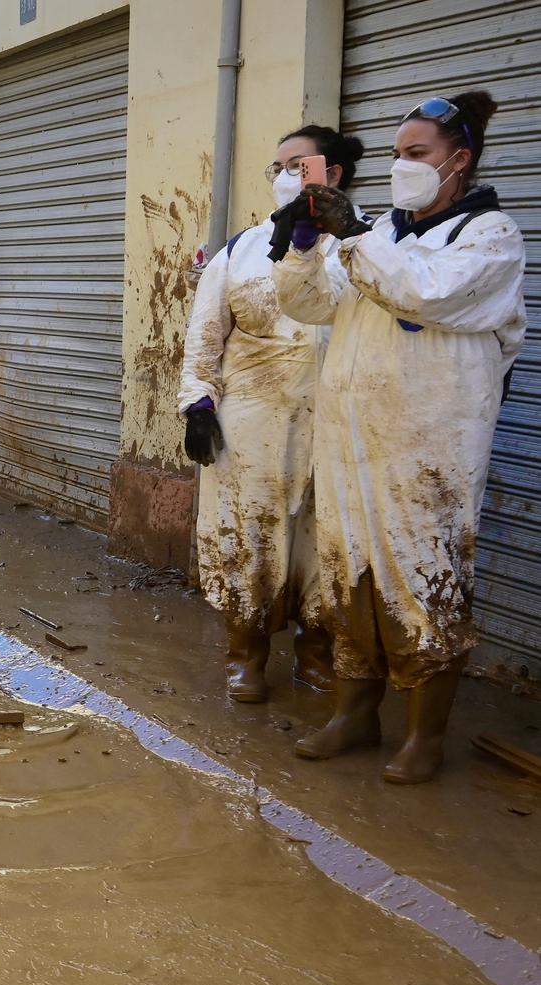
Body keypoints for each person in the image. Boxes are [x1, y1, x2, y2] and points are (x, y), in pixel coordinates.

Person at [271, 91, 525, 784]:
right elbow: (309, 301)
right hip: (351, 439)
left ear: (459, 160)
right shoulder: (381, 232)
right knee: (349, 574)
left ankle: (424, 735)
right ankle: (355, 714)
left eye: (418, 154)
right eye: (395, 154)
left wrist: (349, 235)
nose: (401, 165)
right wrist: (300, 249)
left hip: (428, 448)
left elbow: (427, 293)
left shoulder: (491, 237)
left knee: (425, 580)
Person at [179, 125, 361, 704]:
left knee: (325, 541)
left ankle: (316, 654)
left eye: (297, 165)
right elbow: (204, 338)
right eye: (277, 166)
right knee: (249, 538)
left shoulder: (366, 246)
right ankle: (246, 657)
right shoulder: (240, 250)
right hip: (253, 423)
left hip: (338, 421)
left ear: (331, 175)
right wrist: (197, 404)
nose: (285, 176)